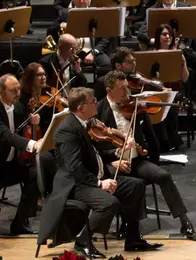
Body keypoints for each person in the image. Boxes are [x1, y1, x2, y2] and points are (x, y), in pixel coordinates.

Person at [39, 87, 162, 258]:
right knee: (108, 203)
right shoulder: (67, 130)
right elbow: (75, 167)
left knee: (136, 185)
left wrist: (117, 153)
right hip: (75, 184)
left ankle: (133, 239)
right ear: (81, 107)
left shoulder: (86, 123)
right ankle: (83, 241)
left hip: (91, 178)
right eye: (93, 101)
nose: (97, 103)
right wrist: (100, 183)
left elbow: (96, 155)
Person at [96, 71, 196, 239]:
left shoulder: (136, 106)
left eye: (127, 88)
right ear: (108, 91)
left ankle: (184, 221)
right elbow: (95, 148)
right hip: (113, 163)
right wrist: (112, 162)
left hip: (137, 161)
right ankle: (129, 225)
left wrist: (145, 150)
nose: (126, 93)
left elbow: (150, 139)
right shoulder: (99, 111)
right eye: (121, 90)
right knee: (133, 184)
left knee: (163, 176)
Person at [0, 74, 45, 236]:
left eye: (19, 89)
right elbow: (6, 135)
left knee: (34, 173)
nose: (18, 93)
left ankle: (20, 223)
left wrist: (32, 121)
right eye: (13, 90)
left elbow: (21, 129)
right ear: (1, 92)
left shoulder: (18, 107)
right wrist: (32, 144)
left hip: (10, 163)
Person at [49, 0, 112, 75]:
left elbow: (107, 36)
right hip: (72, 52)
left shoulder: (96, 13)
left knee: (105, 63)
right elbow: (50, 31)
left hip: (93, 50)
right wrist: (62, 25)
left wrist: (93, 53)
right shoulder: (65, 14)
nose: (82, 1)